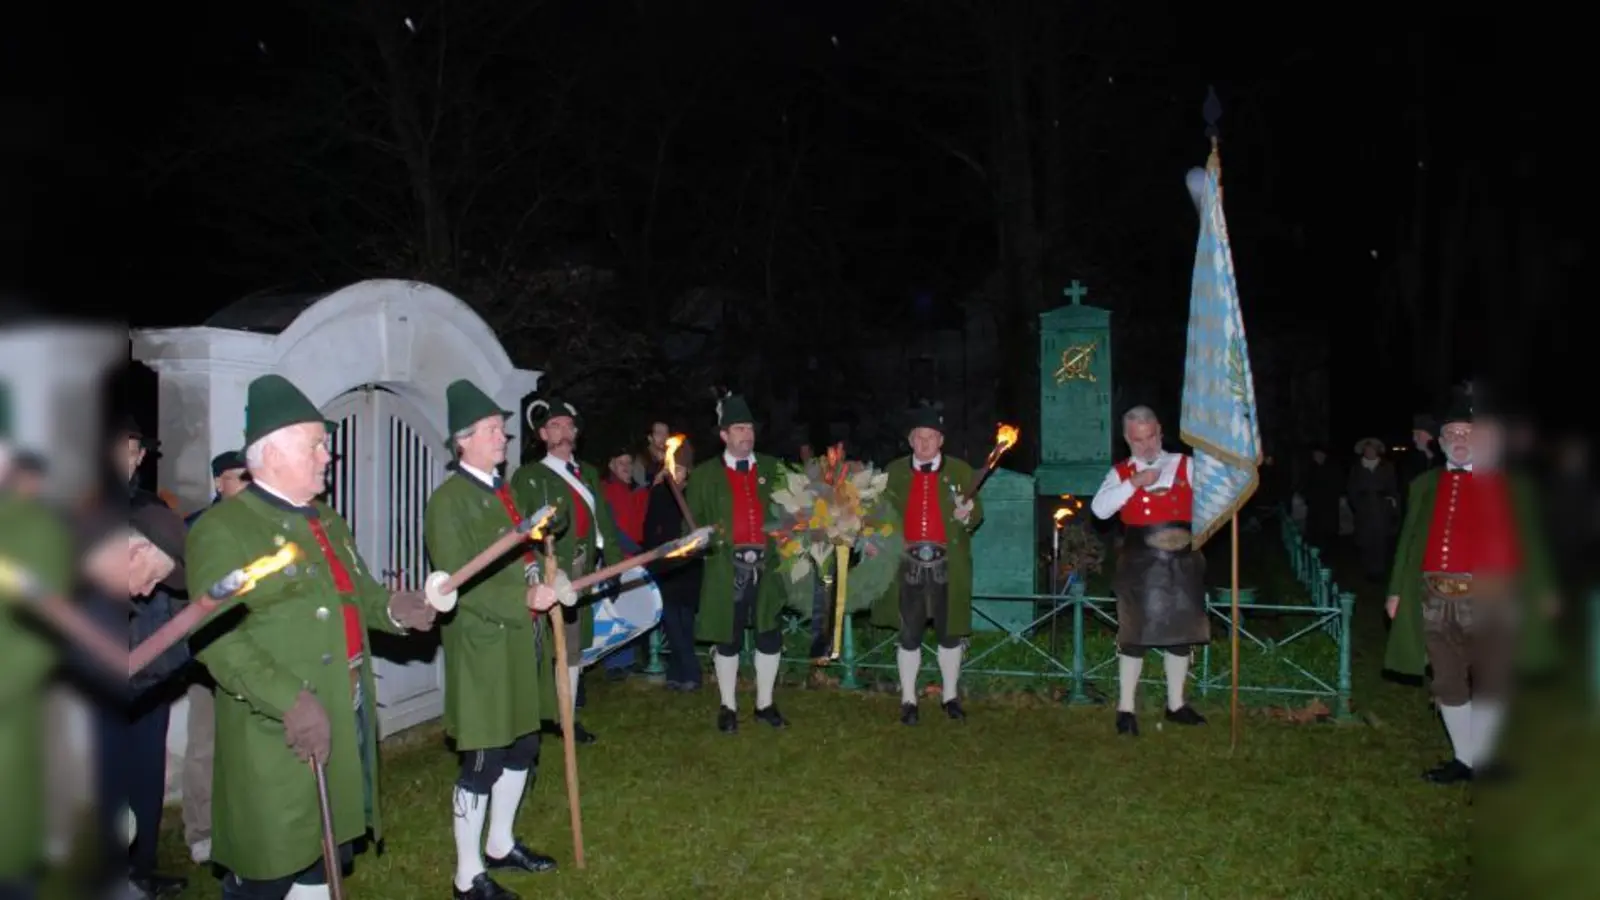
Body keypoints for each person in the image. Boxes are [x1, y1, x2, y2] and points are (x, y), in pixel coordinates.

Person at [184, 374, 437, 899]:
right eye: (316, 444)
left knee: (323, 861)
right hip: (275, 731)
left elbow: (358, 593)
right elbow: (216, 639)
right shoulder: (225, 528)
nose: (329, 455)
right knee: (270, 867)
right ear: (271, 452)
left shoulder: (327, 520)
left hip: (343, 717)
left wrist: (394, 608)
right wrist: (288, 701)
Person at [424, 380, 561, 900]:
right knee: (483, 757)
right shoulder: (448, 502)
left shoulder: (502, 493)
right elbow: (458, 580)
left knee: (523, 743)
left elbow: (521, 558)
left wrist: (535, 582)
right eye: (491, 430)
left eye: (500, 429)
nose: (502, 436)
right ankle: (467, 874)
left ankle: (501, 844)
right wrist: (521, 602)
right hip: (482, 647)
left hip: (520, 644)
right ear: (464, 440)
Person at [1383, 384, 1559, 784]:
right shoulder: (1424, 485)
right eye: (1452, 434)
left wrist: (1543, 589)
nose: (1460, 441)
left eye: (1469, 433)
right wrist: (1396, 591)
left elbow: (1531, 539)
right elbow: (1408, 540)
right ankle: (1466, 759)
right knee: (1446, 678)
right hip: (1434, 594)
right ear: (1440, 441)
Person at [507, 399, 623, 746]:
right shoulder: (529, 476)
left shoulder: (587, 472)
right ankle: (534, 717)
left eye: (567, 425)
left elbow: (604, 522)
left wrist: (613, 564)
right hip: (547, 573)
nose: (563, 432)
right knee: (541, 652)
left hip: (583, 571)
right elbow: (519, 532)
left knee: (573, 651)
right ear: (542, 434)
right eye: (554, 426)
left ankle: (566, 719)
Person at [1090, 406, 1209, 736]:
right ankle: (1126, 709)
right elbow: (1099, 510)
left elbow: (1217, 497)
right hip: (1140, 564)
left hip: (1183, 562)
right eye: (1138, 440)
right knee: (1135, 637)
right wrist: (1135, 483)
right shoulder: (1120, 473)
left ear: (1160, 431)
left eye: (1151, 436)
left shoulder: (1187, 465)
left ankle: (1176, 705)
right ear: (1127, 439)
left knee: (1181, 635)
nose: (1146, 445)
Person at [870, 407, 982, 725]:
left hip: (950, 562)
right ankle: (908, 699)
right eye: (919, 437)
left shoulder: (960, 472)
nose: (925, 443)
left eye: (931, 437)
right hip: (907, 562)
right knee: (909, 633)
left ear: (941, 441)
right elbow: (879, 513)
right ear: (910, 441)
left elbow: (976, 513)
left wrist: (967, 513)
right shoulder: (893, 472)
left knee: (950, 634)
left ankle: (950, 696)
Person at [685, 394, 788, 733]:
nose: (747, 434)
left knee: (769, 634)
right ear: (724, 435)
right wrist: (697, 538)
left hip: (768, 567)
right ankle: (728, 706)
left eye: (750, 428)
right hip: (724, 569)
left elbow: (795, 513)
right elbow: (692, 527)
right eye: (739, 428)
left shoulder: (774, 469)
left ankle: (765, 704)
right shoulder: (703, 477)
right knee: (727, 638)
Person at [182, 449, 250, 866]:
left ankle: (241, 823)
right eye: (237, 477)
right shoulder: (195, 529)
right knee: (205, 743)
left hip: (254, 650)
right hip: (210, 651)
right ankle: (201, 830)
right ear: (218, 483)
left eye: (250, 477)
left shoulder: (260, 527)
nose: (245, 486)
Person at [643, 440, 702, 691]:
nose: (677, 473)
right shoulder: (660, 492)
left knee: (685, 621)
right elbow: (649, 528)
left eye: (681, 468)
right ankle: (682, 671)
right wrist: (656, 553)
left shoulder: (695, 494)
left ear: (688, 470)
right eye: (673, 467)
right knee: (671, 620)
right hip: (666, 564)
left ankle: (686, 673)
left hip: (689, 566)